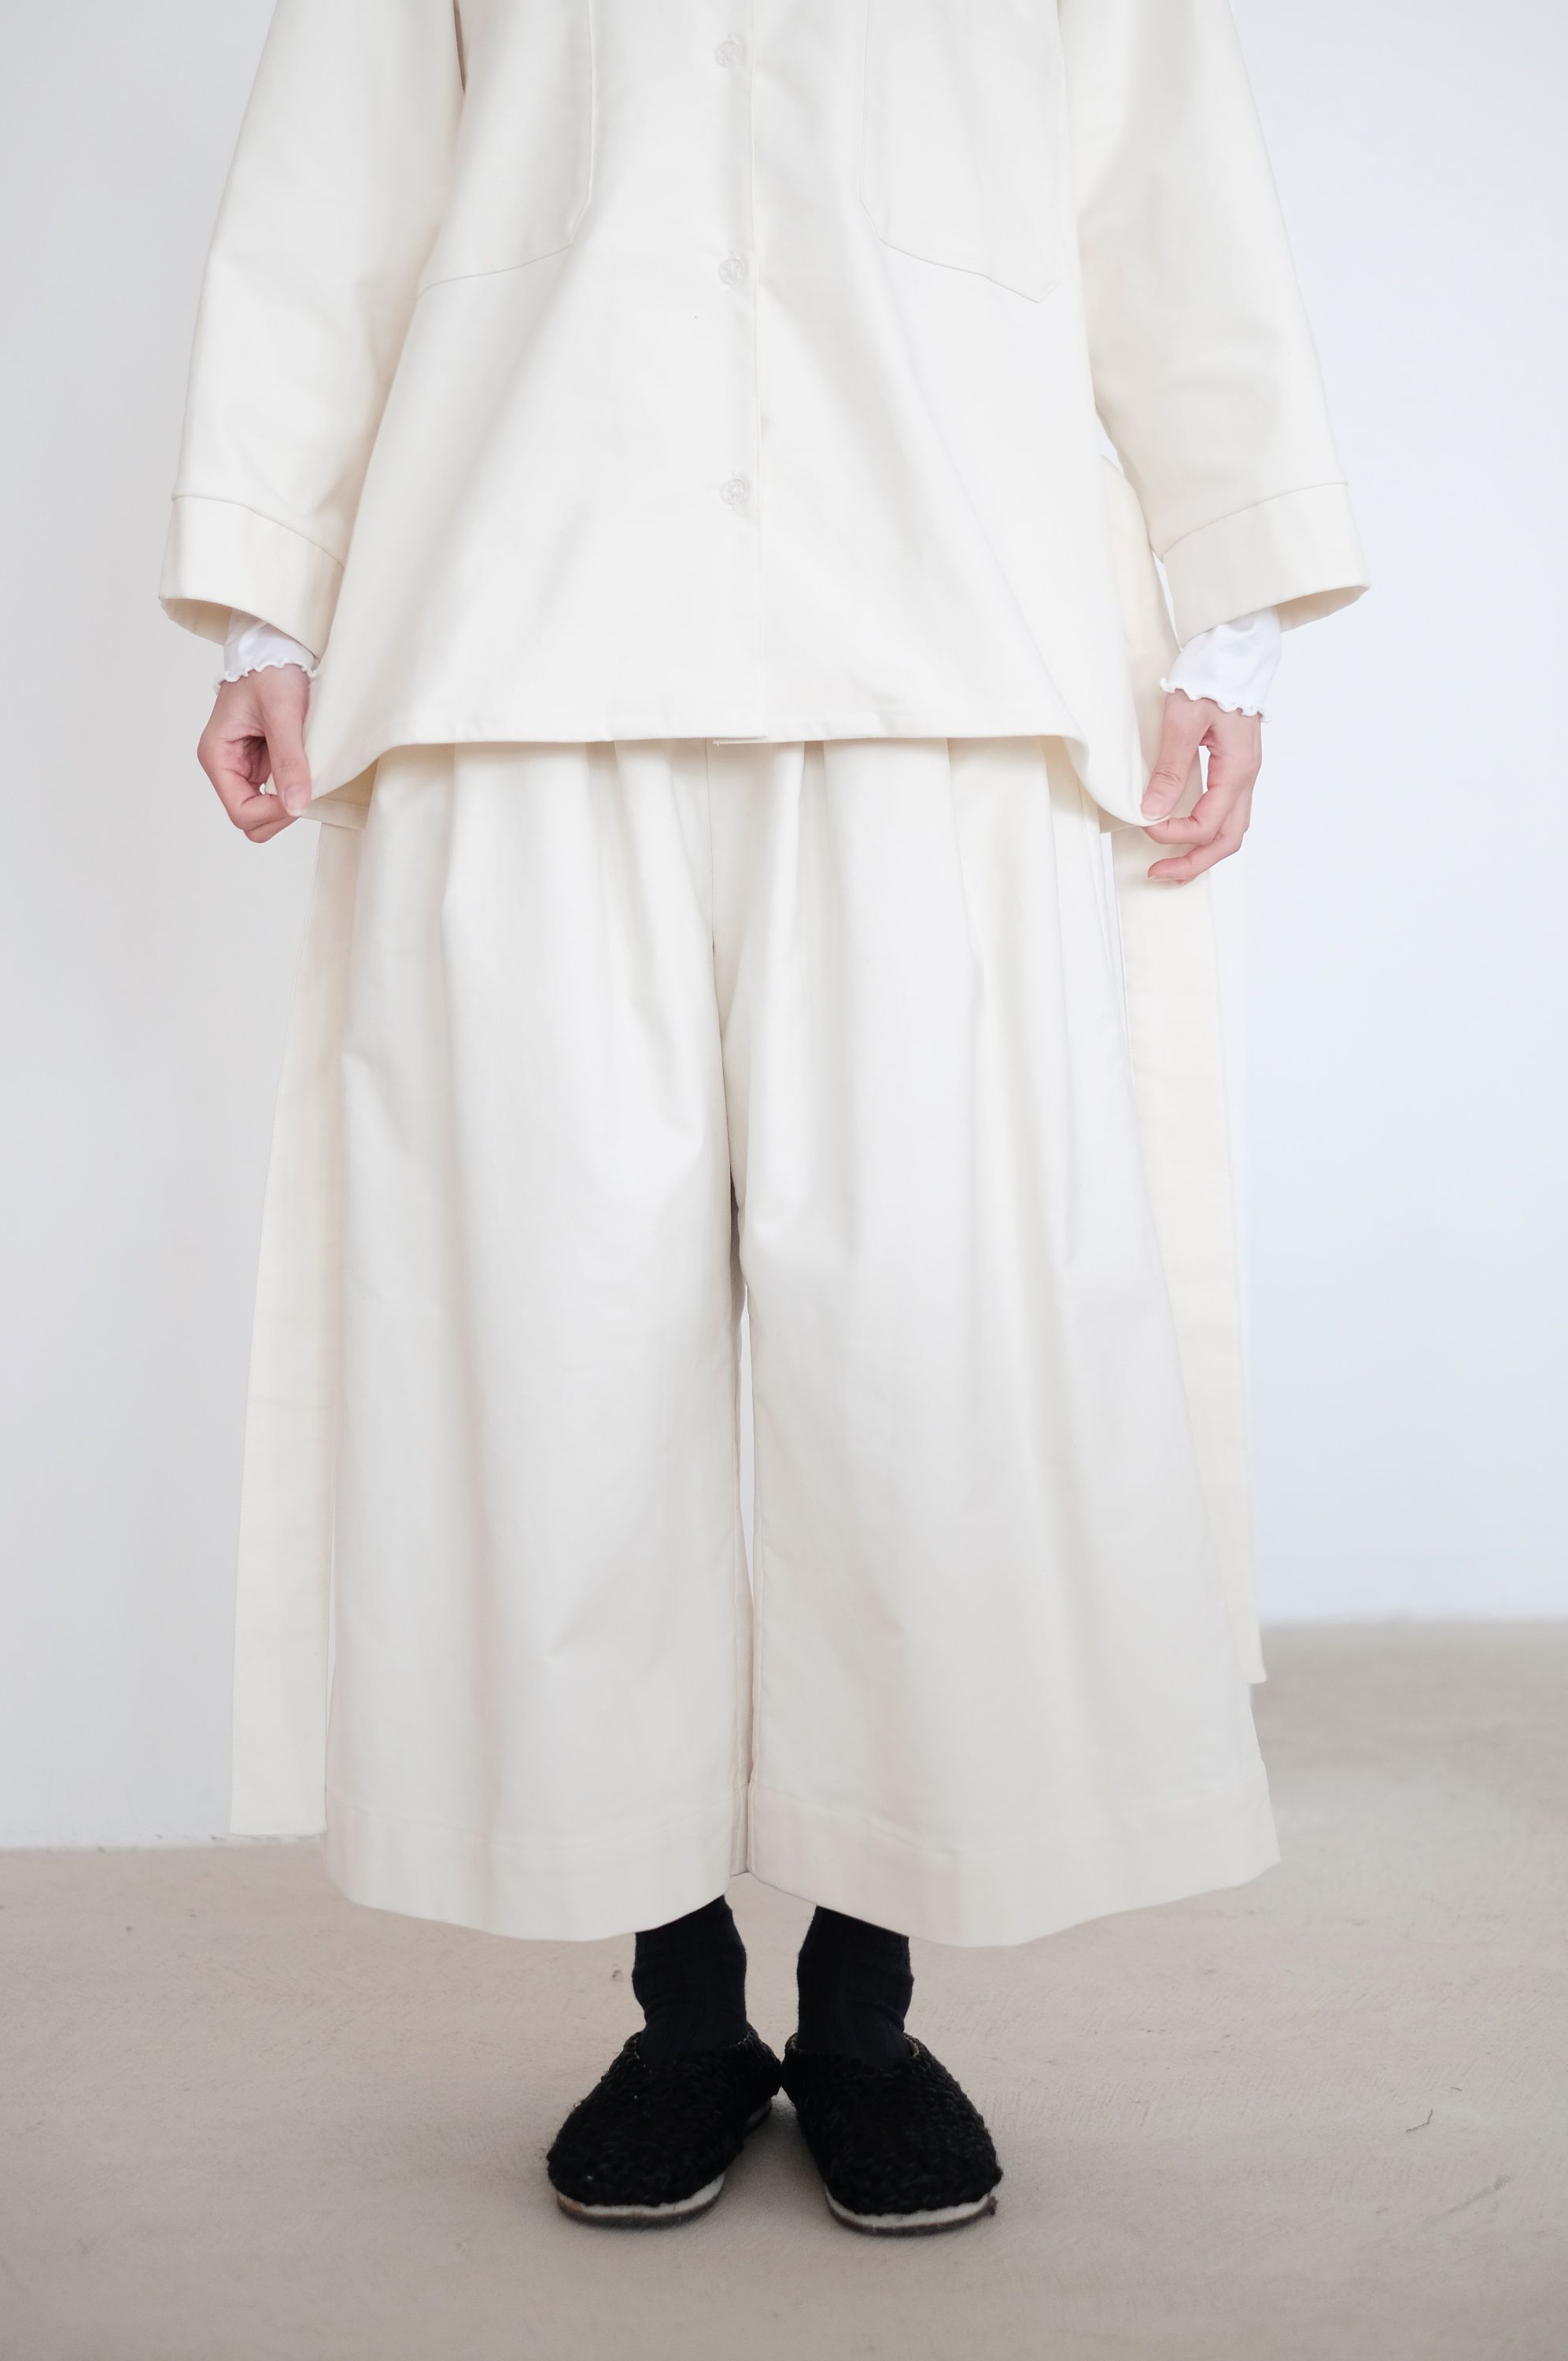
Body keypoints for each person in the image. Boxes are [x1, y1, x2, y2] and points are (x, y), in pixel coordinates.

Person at [164, 0, 1364, 2234]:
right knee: (548, 1350)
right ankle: (684, 2006)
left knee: (926, 1356)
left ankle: (869, 2010)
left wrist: (1228, 621)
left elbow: (1161, 176)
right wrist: (264, 601)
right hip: (516, 626)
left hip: (954, 636)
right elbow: (337, 182)